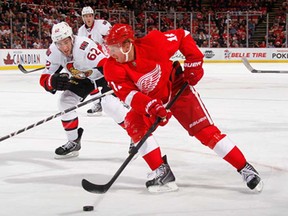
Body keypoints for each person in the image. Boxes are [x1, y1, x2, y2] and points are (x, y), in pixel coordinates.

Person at [103, 24, 264, 193]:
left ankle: (245, 168)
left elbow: (183, 35)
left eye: (114, 48)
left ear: (127, 45)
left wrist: (194, 61)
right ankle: (161, 172)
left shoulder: (155, 42)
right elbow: (129, 95)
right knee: (133, 122)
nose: (110, 53)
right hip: (152, 100)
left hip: (177, 88)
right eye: (109, 48)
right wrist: (150, 106)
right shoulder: (111, 67)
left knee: (205, 132)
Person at [39, 22, 129, 159]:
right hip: (83, 77)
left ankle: (136, 134)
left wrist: (116, 85)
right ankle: (74, 141)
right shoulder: (53, 51)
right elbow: (44, 78)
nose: (64, 47)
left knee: (109, 104)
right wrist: (52, 81)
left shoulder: (84, 46)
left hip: (104, 74)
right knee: (65, 101)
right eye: (59, 43)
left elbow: (106, 65)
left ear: (72, 38)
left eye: (66, 42)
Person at [78, 6, 112, 116]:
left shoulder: (102, 25)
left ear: (93, 16)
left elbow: (112, 40)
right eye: (86, 16)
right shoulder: (81, 31)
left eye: (90, 16)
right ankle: (97, 103)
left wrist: (101, 46)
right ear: (83, 18)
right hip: (92, 60)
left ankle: (122, 99)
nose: (88, 18)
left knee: (113, 79)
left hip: (106, 58)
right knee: (88, 78)